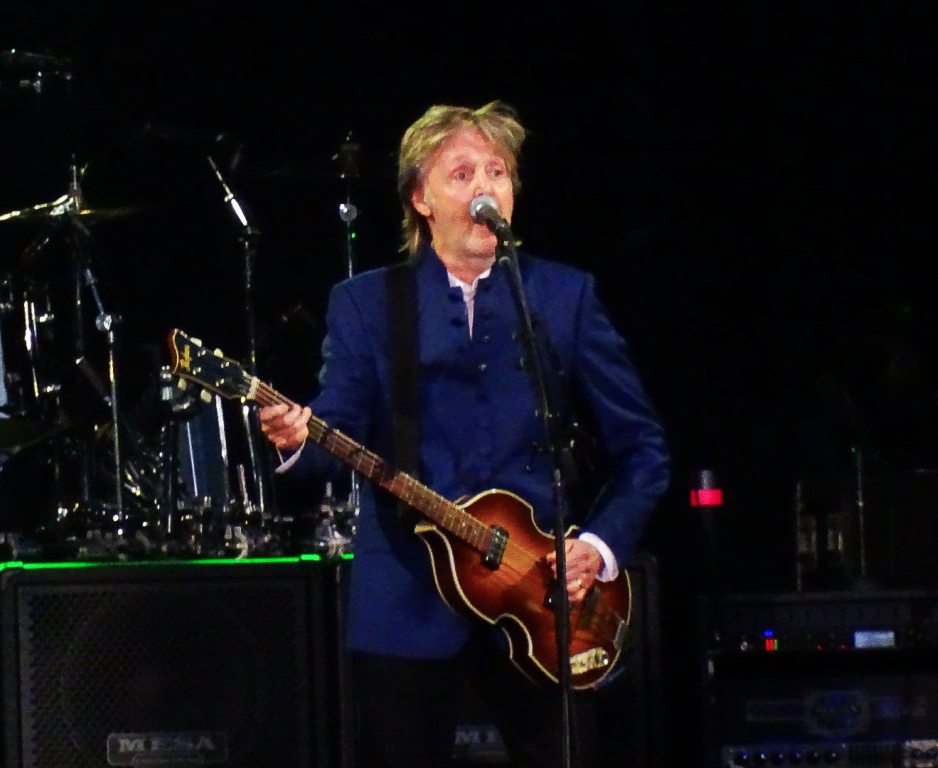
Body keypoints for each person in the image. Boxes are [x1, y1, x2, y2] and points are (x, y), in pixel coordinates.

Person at [259, 100, 670, 768]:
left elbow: (644, 448)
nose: (486, 187)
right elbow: (334, 433)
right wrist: (296, 440)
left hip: (543, 598)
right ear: (420, 199)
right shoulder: (366, 303)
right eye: (462, 173)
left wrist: (597, 546)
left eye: (498, 172)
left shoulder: (563, 296)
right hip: (407, 601)